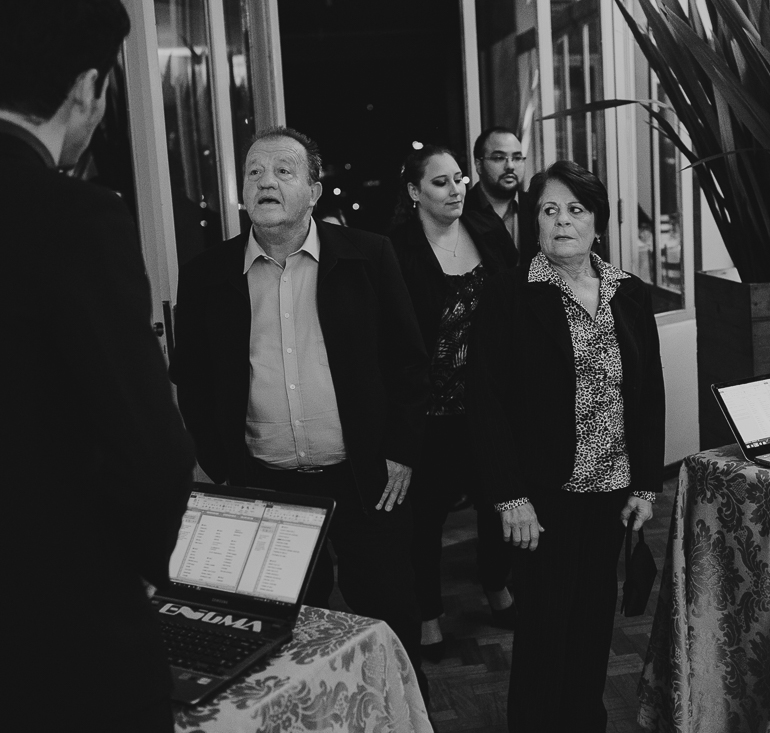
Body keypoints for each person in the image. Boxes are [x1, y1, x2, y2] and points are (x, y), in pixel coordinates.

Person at [169, 126, 432, 698]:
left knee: (390, 618)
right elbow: (192, 378)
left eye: (283, 171)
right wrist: (220, 463)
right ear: (242, 192)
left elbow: (410, 364)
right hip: (266, 486)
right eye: (254, 171)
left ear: (313, 191)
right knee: (283, 636)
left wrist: (400, 452)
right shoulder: (208, 273)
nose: (266, 181)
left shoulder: (368, 255)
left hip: (367, 479)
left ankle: (406, 717)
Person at [2, 2, 196, 731]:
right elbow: (150, 449)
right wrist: (142, 566)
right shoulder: (73, 217)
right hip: (60, 628)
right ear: (87, 87)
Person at [468, 160, 666, 731]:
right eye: (548, 210)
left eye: (575, 210)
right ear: (534, 222)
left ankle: (584, 721)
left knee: (593, 623)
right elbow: (486, 404)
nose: (561, 221)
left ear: (597, 223)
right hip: (541, 497)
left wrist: (646, 484)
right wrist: (510, 497)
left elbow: (647, 393)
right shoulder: (508, 293)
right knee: (543, 627)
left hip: (610, 490)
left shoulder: (629, 292)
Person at [389, 145, 520, 659]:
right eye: (440, 182)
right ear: (414, 191)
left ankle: (497, 585)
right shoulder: (396, 250)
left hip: (488, 404)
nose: (455, 189)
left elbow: (515, 302)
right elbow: (392, 340)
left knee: (497, 501)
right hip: (429, 412)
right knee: (424, 520)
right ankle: (427, 614)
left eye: (459, 178)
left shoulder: (488, 231)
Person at [467, 126, 539, 262]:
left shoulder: (536, 207)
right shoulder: (462, 211)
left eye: (517, 158)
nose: (510, 166)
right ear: (479, 165)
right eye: (499, 158)